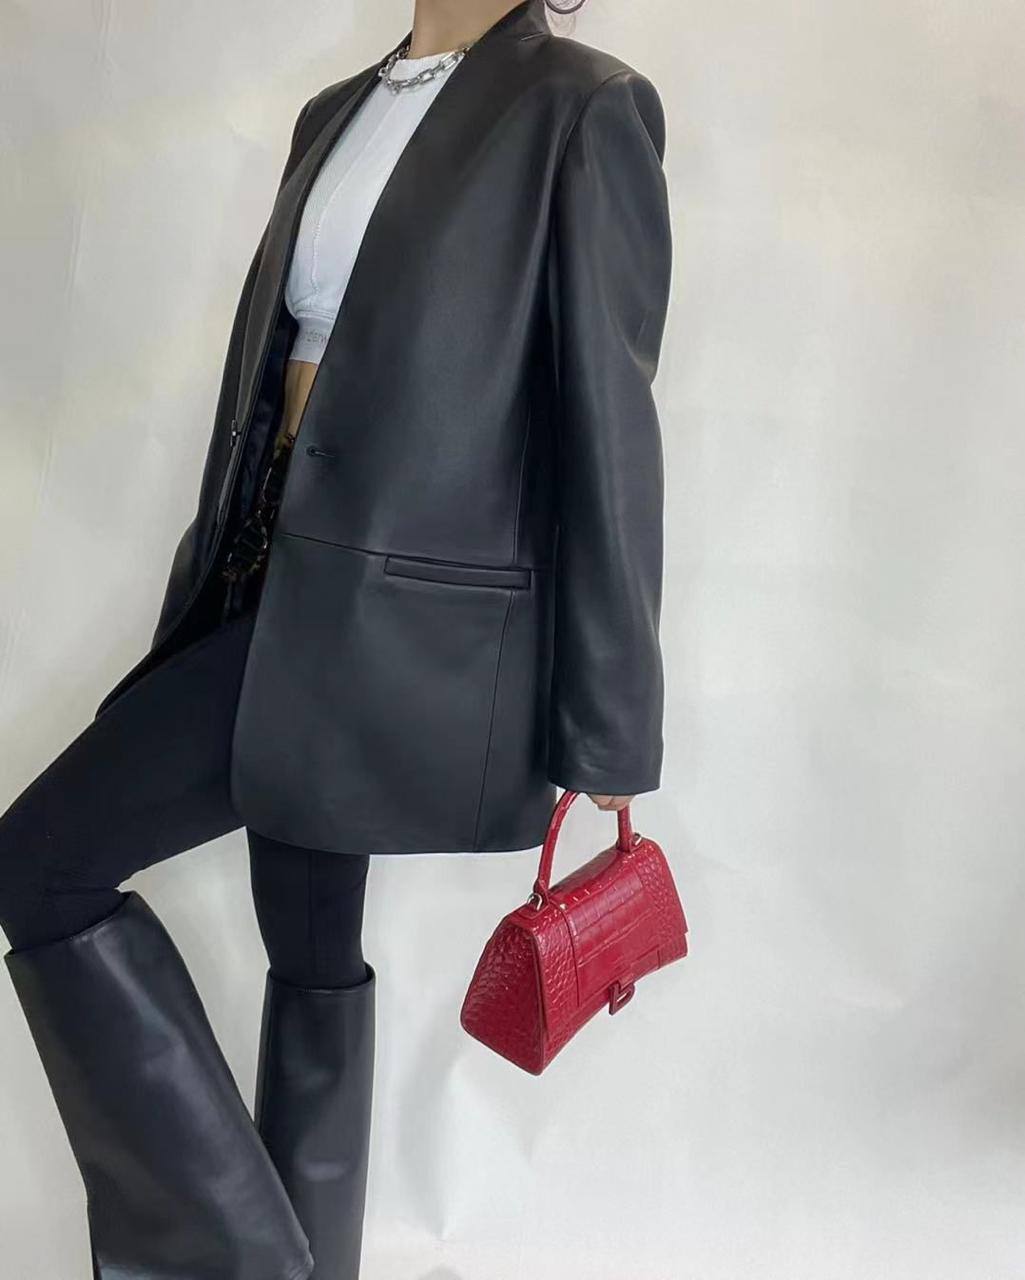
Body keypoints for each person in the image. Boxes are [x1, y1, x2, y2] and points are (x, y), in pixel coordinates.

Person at [0, 0, 673, 1276]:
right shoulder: (336, 112)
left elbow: (608, 429)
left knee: (35, 866)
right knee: (308, 953)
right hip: (256, 578)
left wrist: (609, 713)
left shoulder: (580, 108)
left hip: (391, 623)